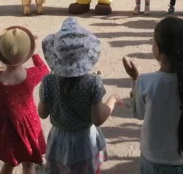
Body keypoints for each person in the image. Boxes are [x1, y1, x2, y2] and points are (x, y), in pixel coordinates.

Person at [38, 18, 123, 173]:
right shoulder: (93, 83)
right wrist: (112, 100)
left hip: (58, 141)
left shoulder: (48, 81)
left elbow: (42, 113)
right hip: (85, 143)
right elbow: (98, 119)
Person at [122, 17, 183, 173]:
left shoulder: (145, 81)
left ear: (157, 48)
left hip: (153, 159)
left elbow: (139, 113)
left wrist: (134, 79)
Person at [0, 26, 49, 174]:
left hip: (5, 129)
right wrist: (34, 52)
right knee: (29, 164)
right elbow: (44, 69)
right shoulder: (30, 77)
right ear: (26, 54)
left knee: (9, 163)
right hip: (28, 126)